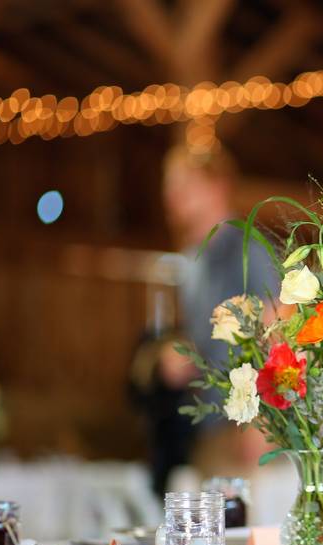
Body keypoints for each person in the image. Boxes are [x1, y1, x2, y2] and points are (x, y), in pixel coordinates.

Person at [131, 145, 277, 496]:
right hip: (206, 420)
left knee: (239, 533)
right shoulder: (192, 258)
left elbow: (274, 330)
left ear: (217, 186)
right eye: (169, 185)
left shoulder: (247, 250)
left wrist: (262, 422)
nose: (171, 194)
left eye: (184, 184)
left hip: (240, 426)